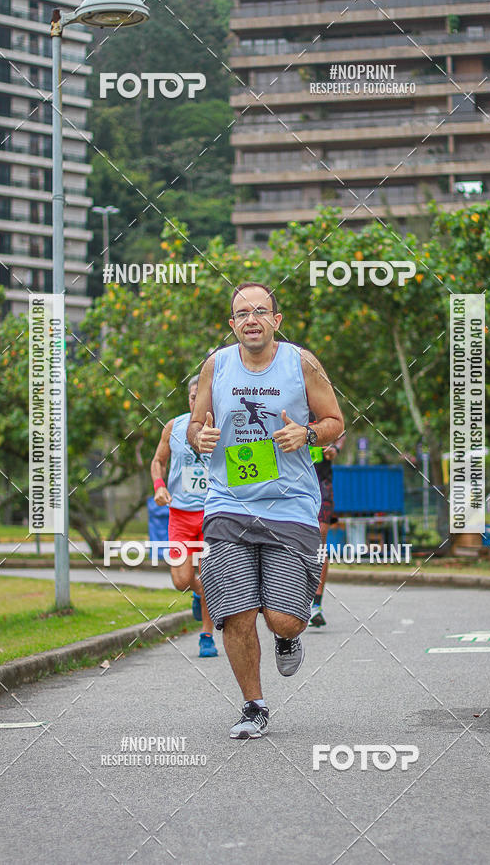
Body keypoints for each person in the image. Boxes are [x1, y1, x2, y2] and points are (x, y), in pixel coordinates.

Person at [188, 282, 344, 739]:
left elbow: (335, 420)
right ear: (232, 324)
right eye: (241, 313)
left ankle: (288, 635)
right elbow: (197, 424)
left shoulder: (302, 362)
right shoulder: (216, 365)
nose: (250, 319)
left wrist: (308, 435)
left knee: (283, 616)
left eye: (260, 311)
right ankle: (254, 705)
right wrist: (200, 437)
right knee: (235, 611)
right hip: (228, 502)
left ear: (276, 320)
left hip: (291, 505)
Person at [150, 375, 218, 658]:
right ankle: (197, 592)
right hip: (180, 515)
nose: (195, 400)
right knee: (181, 579)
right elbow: (158, 461)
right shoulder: (174, 427)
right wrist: (159, 486)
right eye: (192, 396)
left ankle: (206, 636)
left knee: (211, 575)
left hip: (213, 513)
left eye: (200, 396)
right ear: (189, 399)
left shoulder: (223, 426)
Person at [307, 413, 346, 627]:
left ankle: (316, 604)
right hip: (291, 482)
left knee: (320, 536)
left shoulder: (320, 400)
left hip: (321, 481)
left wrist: (335, 449)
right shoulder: (284, 395)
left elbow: (342, 431)